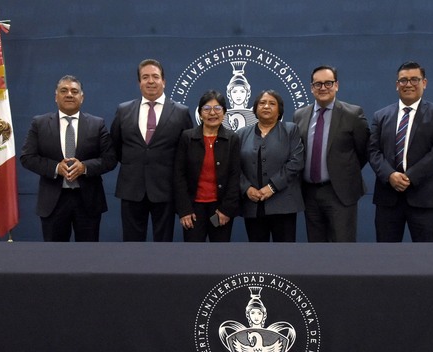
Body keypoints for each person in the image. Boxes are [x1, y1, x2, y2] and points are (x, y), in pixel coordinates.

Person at [20, 75, 116, 241]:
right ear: (56, 96)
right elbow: (27, 157)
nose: (69, 94)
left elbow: (110, 159)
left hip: (88, 201)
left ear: (82, 97)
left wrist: (85, 167)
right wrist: (56, 167)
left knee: (88, 254)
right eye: (64, 91)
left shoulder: (97, 124)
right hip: (52, 202)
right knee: (54, 254)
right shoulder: (39, 123)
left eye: (74, 91)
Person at [110, 59, 193, 242]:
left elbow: (187, 153)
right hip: (131, 189)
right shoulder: (123, 110)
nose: (150, 81)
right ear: (139, 82)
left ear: (164, 81)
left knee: (163, 246)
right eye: (145, 77)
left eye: (155, 77)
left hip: (165, 189)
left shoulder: (181, 112)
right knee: (131, 245)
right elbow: (115, 147)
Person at [368, 61, 433, 242]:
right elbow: (373, 151)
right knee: (386, 255)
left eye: (414, 79)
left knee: (427, 255)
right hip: (388, 198)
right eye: (403, 80)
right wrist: (390, 175)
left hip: (425, 198)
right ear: (397, 84)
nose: (408, 84)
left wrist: (410, 177)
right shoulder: (381, 116)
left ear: (424, 83)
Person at [293, 65, 370, 242]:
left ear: (336, 85)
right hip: (309, 194)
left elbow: (364, 151)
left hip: (340, 193)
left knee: (342, 250)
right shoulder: (299, 115)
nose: (323, 88)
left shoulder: (353, 114)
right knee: (316, 249)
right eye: (318, 84)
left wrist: (341, 173)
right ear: (311, 88)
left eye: (328, 83)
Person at [237, 90, 304, 242]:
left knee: (284, 253)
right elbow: (234, 167)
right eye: (262, 103)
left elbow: (296, 162)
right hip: (253, 205)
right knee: (257, 253)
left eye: (272, 103)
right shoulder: (241, 134)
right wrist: (246, 188)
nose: (266, 106)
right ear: (255, 108)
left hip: (284, 205)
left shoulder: (290, 130)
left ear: (279, 110)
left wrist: (272, 187)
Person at [174, 90, 240, 242]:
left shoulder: (232, 139)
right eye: (207, 109)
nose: (212, 113)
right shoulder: (187, 137)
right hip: (193, 209)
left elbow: (235, 176)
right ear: (200, 113)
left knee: (219, 253)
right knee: (193, 253)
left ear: (224, 112)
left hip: (220, 209)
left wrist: (226, 210)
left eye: (217, 108)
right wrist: (184, 210)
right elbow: (179, 176)